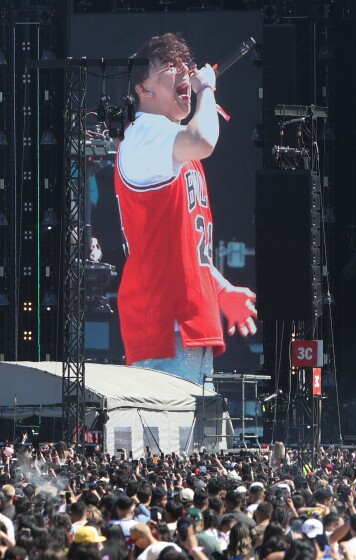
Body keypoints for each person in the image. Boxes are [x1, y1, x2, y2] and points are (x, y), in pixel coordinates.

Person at [114, 32, 258, 385]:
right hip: (166, 326)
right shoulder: (146, 135)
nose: (184, 73)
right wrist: (206, 90)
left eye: (186, 66)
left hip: (185, 326)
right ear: (143, 89)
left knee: (196, 439)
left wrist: (221, 289)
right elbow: (204, 139)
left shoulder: (168, 144)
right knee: (173, 440)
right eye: (169, 68)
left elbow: (182, 249)